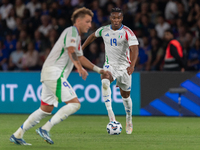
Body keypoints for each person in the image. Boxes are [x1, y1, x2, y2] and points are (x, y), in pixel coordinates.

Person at [10, 7, 106, 145]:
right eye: (88, 21)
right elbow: (71, 51)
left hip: (49, 72)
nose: (90, 25)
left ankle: (17, 134)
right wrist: (79, 67)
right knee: (74, 104)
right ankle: (45, 129)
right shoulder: (72, 31)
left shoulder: (75, 36)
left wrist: (99, 70)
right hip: (55, 72)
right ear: (78, 21)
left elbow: (80, 56)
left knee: (45, 109)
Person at [82, 8, 139, 134]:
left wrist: (132, 65)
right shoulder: (104, 30)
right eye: (114, 18)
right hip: (110, 65)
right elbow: (92, 36)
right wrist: (81, 48)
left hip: (124, 68)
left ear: (122, 18)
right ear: (110, 18)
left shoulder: (127, 32)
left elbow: (135, 49)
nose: (116, 20)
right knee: (104, 79)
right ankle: (111, 117)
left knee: (125, 96)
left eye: (118, 18)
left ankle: (129, 118)